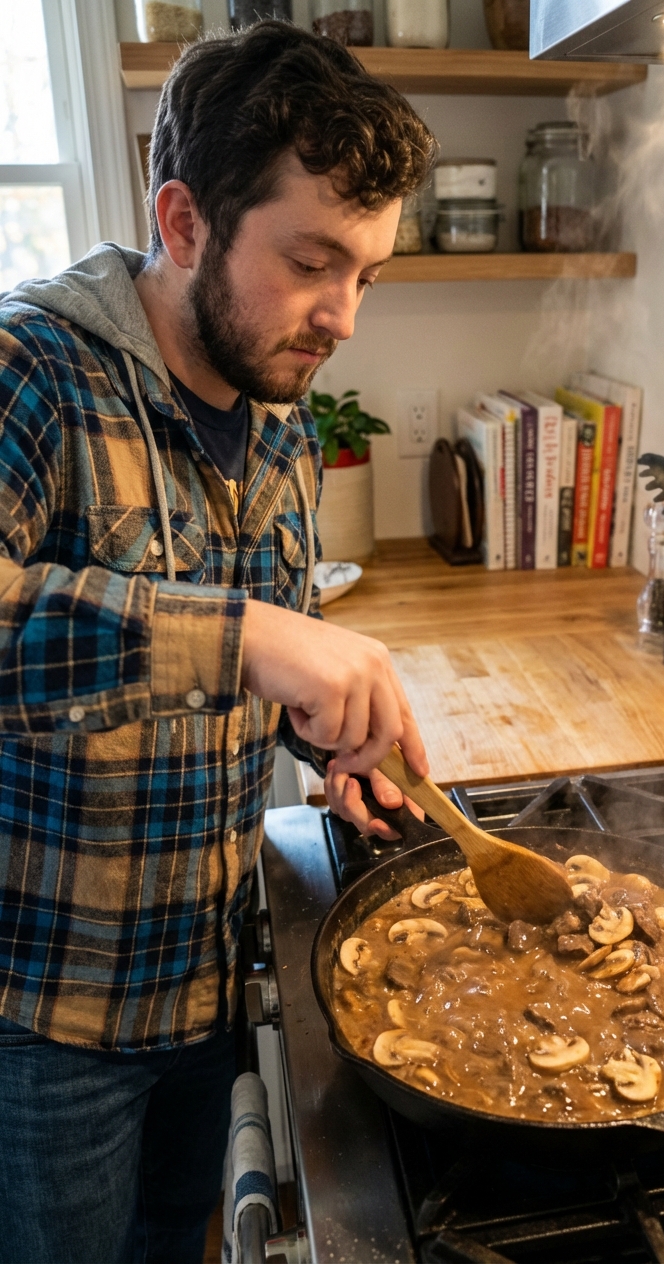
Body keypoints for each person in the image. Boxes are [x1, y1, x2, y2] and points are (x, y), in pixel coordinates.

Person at [0, 21, 435, 1264]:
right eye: (312, 261)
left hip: (210, 972)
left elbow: (247, 668)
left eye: (367, 274)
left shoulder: (279, 414)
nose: (342, 315)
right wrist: (246, 637)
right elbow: (220, 637)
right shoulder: (33, 369)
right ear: (183, 221)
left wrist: (326, 737)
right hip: (48, 1020)